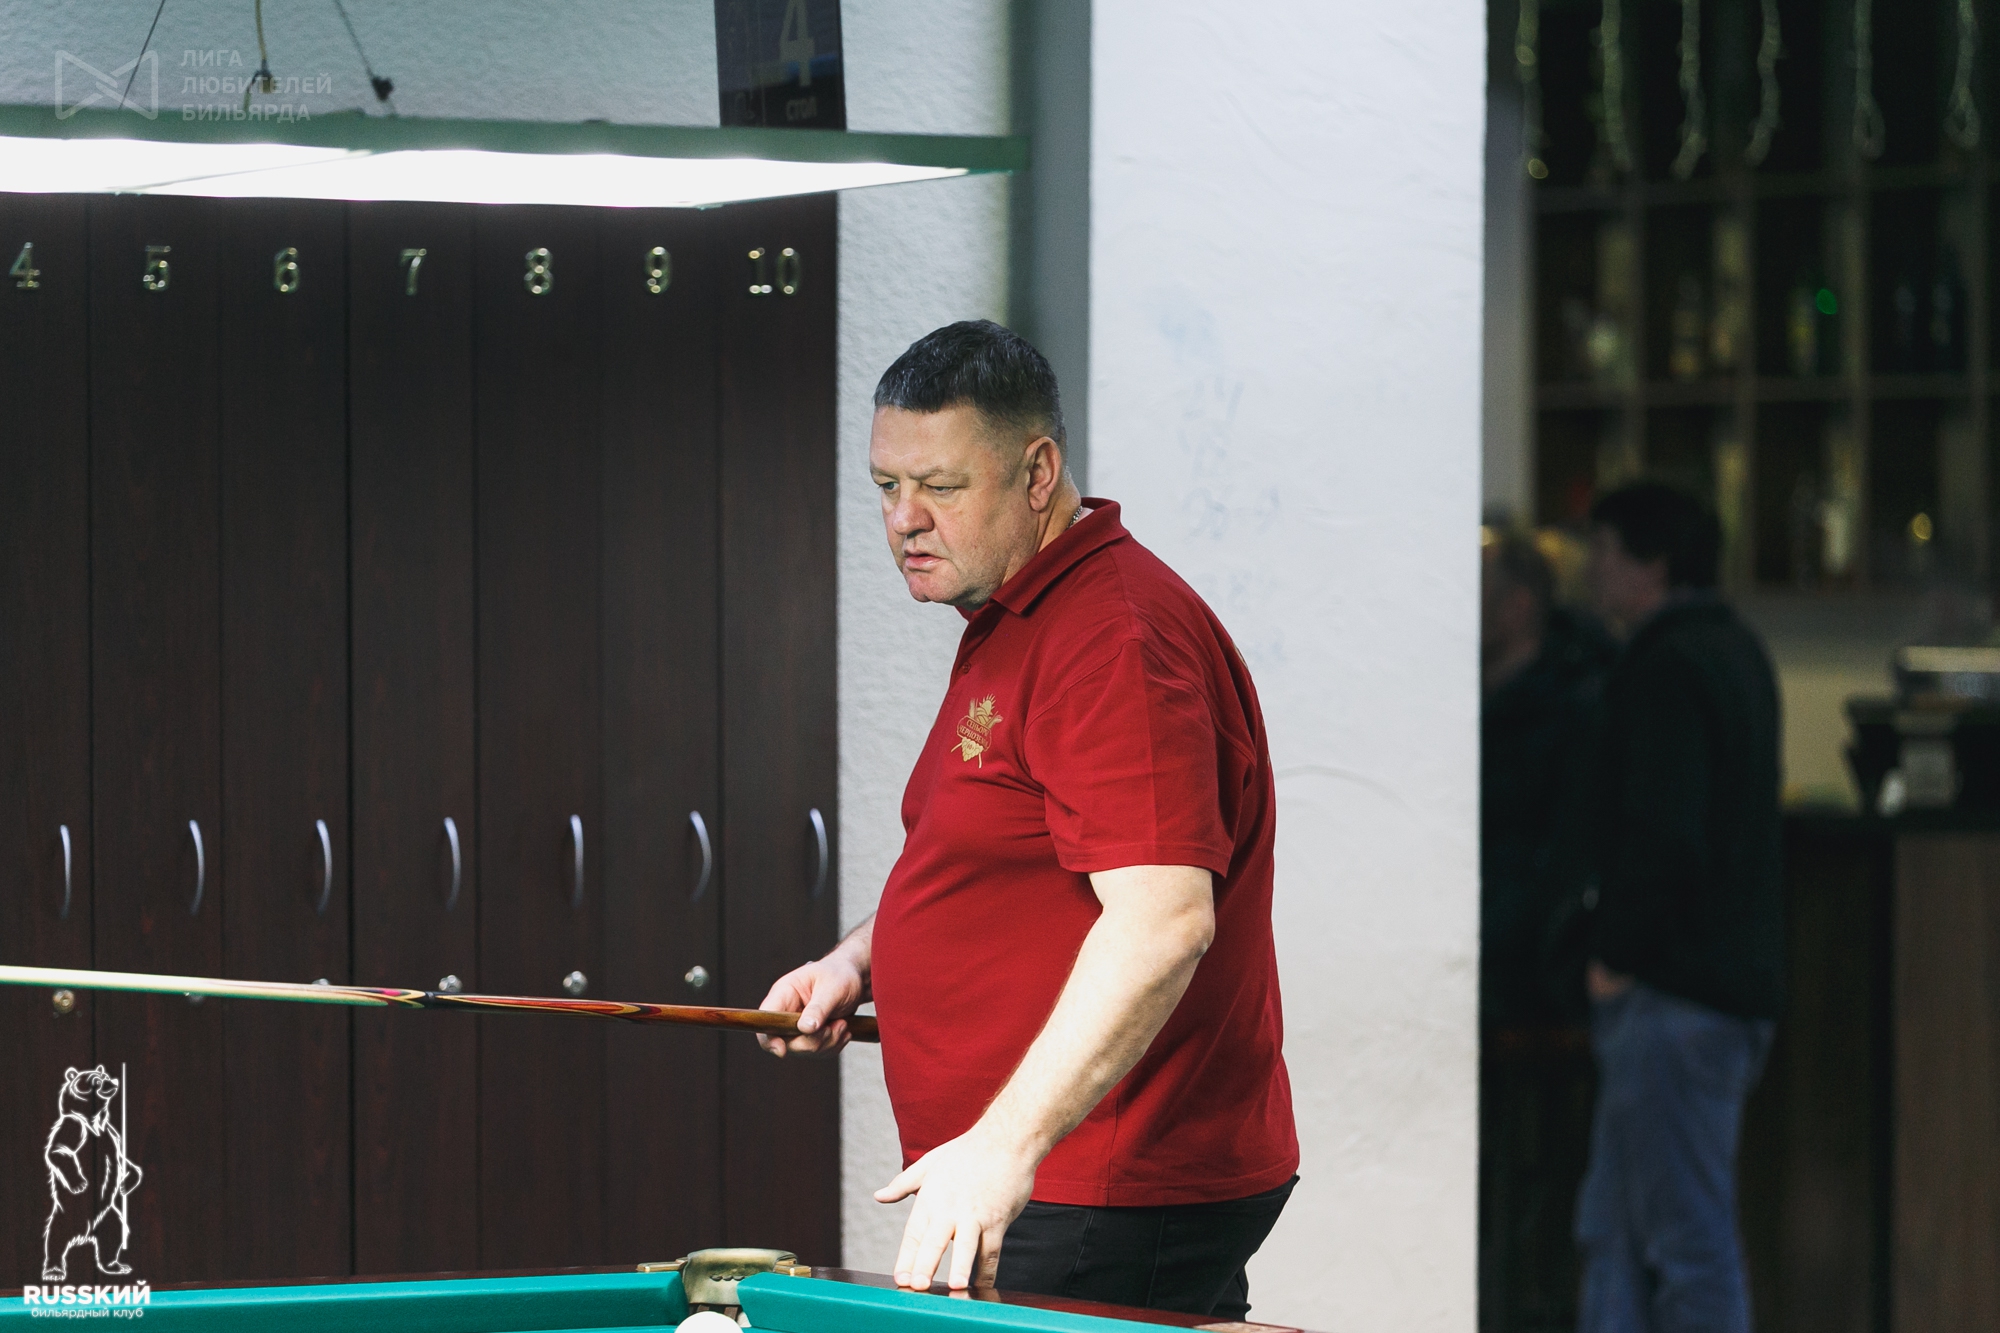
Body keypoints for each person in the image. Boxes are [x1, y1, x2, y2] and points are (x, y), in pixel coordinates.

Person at [755, 320, 1298, 1317]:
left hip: (1098, 1183)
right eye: (886, 485)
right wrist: (859, 961)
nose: (905, 519)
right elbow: (1001, 859)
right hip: (1059, 1177)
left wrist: (1004, 1147)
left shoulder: (1113, 639)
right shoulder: (1019, 612)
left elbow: (1164, 921)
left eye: (940, 486)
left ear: (1037, 473)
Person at [1575, 482, 1783, 1333]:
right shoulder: (1736, 650)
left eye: (1604, 549)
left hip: (1676, 991)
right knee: (1623, 1232)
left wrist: (1614, 953)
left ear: (1651, 563)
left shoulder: (1664, 666)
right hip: (1718, 985)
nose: (1590, 568)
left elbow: (1663, 832)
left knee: (1678, 1239)